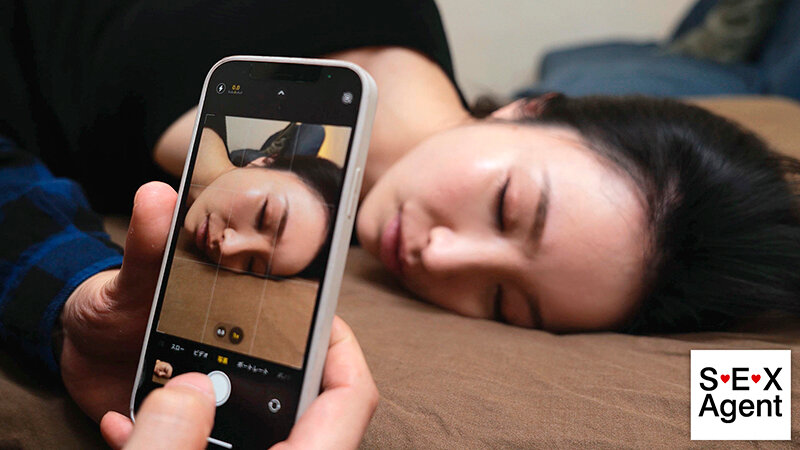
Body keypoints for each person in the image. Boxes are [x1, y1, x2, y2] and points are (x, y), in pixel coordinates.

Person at [2, 0, 800, 446]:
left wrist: (75, 294)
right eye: (508, 207)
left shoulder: (298, 242)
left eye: (502, 302)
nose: (441, 256)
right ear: (529, 109)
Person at [185, 127, 341, 277]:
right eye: (262, 216)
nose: (227, 247)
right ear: (264, 162)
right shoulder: (191, 130)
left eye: (252, 264)